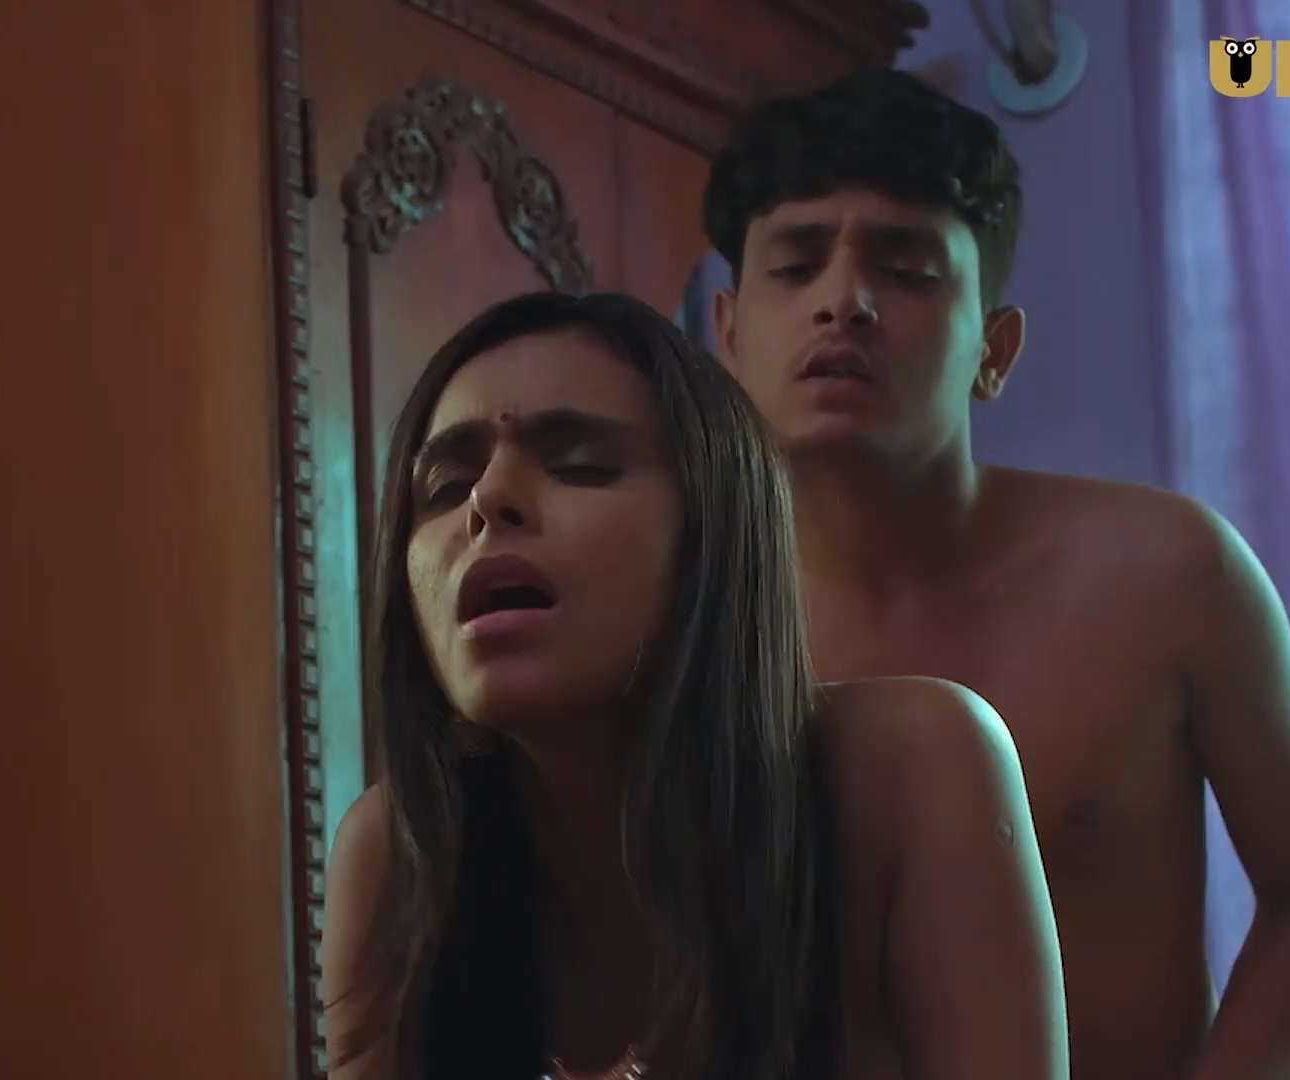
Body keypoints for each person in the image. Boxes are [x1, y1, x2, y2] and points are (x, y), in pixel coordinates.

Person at [701, 67, 1290, 1080]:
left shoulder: (1170, 574)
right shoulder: (681, 614)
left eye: (907, 270)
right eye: (796, 267)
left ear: (994, 348)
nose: (843, 302)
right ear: (727, 334)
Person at [319, 290, 1067, 1080]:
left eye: (581, 467)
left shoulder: (912, 768)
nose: (487, 500)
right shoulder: (397, 858)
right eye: (443, 486)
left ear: (716, 533)